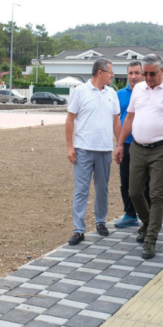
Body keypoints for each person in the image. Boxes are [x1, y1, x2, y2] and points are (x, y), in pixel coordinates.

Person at [114, 54, 163, 259]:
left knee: (156, 194)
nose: (147, 77)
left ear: (162, 71)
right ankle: (147, 223)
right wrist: (120, 144)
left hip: (162, 149)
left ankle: (151, 239)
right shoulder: (138, 88)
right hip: (137, 148)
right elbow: (129, 117)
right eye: (145, 73)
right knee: (134, 192)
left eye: (151, 73)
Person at [65, 58, 121, 245]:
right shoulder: (80, 92)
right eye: (110, 72)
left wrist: (119, 144)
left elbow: (116, 121)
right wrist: (69, 146)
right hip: (83, 149)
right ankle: (79, 230)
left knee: (102, 189)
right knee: (81, 190)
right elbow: (70, 119)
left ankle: (100, 222)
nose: (112, 75)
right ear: (100, 72)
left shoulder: (112, 93)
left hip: (105, 149)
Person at [115, 61, 151, 228]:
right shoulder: (120, 94)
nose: (134, 76)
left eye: (137, 72)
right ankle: (130, 215)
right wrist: (119, 144)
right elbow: (117, 118)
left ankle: (149, 217)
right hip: (127, 144)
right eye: (130, 73)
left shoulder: (149, 92)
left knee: (146, 183)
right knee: (126, 181)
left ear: (143, 74)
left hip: (144, 145)